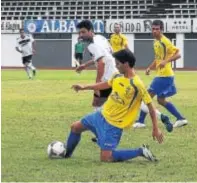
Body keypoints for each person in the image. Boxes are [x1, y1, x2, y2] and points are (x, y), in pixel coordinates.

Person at [63, 49, 164, 162]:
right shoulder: (117, 75)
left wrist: (155, 128)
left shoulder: (137, 84)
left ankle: (140, 151)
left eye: (118, 63)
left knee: (106, 158)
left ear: (126, 64)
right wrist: (84, 87)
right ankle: (66, 155)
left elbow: (150, 106)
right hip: (100, 115)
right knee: (75, 127)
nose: (116, 66)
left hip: (114, 125)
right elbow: (106, 84)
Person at [134, 20, 188, 129]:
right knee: (160, 100)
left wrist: (166, 61)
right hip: (164, 75)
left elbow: (178, 54)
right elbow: (158, 59)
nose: (154, 31)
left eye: (157, 29)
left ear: (161, 29)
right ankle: (181, 118)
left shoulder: (165, 41)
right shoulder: (156, 42)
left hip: (165, 75)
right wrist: (150, 67)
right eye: (153, 29)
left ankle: (140, 121)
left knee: (146, 96)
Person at [75, 20, 118, 111]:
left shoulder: (93, 45)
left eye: (83, 32)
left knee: (97, 103)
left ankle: (100, 123)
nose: (81, 35)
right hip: (115, 73)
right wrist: (85, 65)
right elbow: (105, 56)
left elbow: (101, 62)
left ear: (91, 30)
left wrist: (97, 84)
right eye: (79, 33)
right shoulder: (100, 37)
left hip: (107, 77)